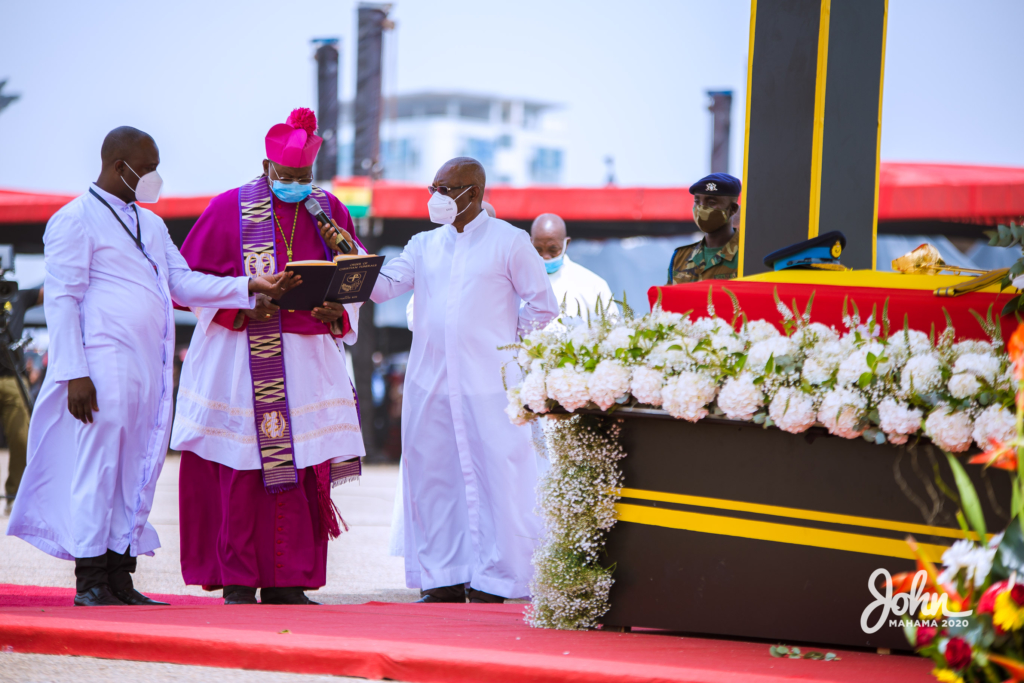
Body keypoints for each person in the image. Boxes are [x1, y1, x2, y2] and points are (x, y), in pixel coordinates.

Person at [6, 127, 298, 606]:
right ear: (121, 166)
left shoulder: (151, 224)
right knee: (98, 468)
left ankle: (121, 577)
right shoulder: (74, 219)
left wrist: (249, 287)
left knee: (136, 469)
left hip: (147, 367)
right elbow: (61, 301)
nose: (156, 176)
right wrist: (72, 374)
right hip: (99, 368)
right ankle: (91, 580)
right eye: (150, 166)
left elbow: (182, 283)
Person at [170, 109, 365, 606]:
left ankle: (288, 579)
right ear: (265, 165)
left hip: (304, 361)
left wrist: (335, 308)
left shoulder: (328, 208)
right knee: (241, 467)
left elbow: (357, 279)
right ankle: (236, 578)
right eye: (289, 177)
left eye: (305, 177)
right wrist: (243, 296)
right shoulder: (228, 208)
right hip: (240, 357)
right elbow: (185, 285)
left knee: (298, 468)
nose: (298, 185)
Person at [369, 157, 558, 603]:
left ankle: (497, 579)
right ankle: (442, 578)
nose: (436, 197)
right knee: (434, 479)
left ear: (473, 193)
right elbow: (383, 287)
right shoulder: (422, 244)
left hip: (490, 384)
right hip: (429, 385)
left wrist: (507, 341)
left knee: (500, 478)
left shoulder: (509, 241)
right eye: (432, 187)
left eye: (446, 188)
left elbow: (543, 305)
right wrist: (352, 266)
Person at [0, 280, 43, 517]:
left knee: (22, 437)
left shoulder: (16, 295)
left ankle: (14, 495)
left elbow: (56, 288)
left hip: (11, 377)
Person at [530, 213, 615, 318]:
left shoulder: (593, 285)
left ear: (566, 244)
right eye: (538, 250)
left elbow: (611, 329)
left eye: (553, 249)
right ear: (530, 243)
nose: (546, 256)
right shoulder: (514, 282)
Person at [668, 173, 742, 284]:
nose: (701, 208)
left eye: (711, 202)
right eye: (697, 202)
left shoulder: (746, 255)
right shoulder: (679, 257)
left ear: (732, 209)